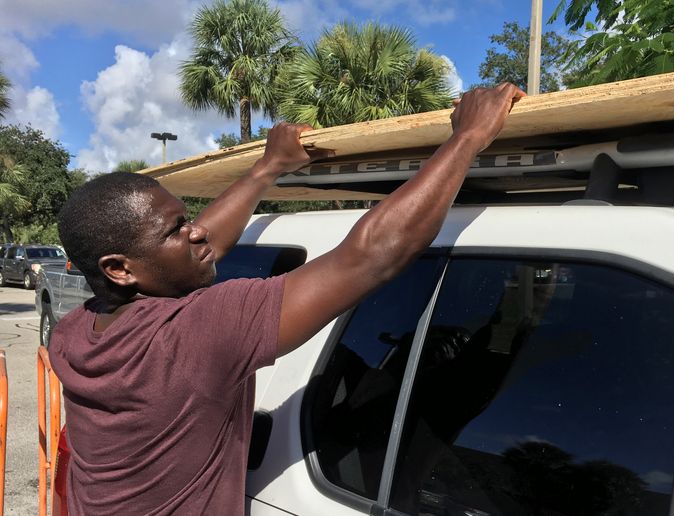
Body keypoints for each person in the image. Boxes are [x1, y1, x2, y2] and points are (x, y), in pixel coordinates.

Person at [49, 83, 526, 515]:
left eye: (188, 217)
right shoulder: (192, 332)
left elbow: (199, 242)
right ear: (119, 269)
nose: (197, 233)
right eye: (177, 230)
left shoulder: (75, 332)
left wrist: (268, 167)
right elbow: (372, 256)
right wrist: (467, 138)